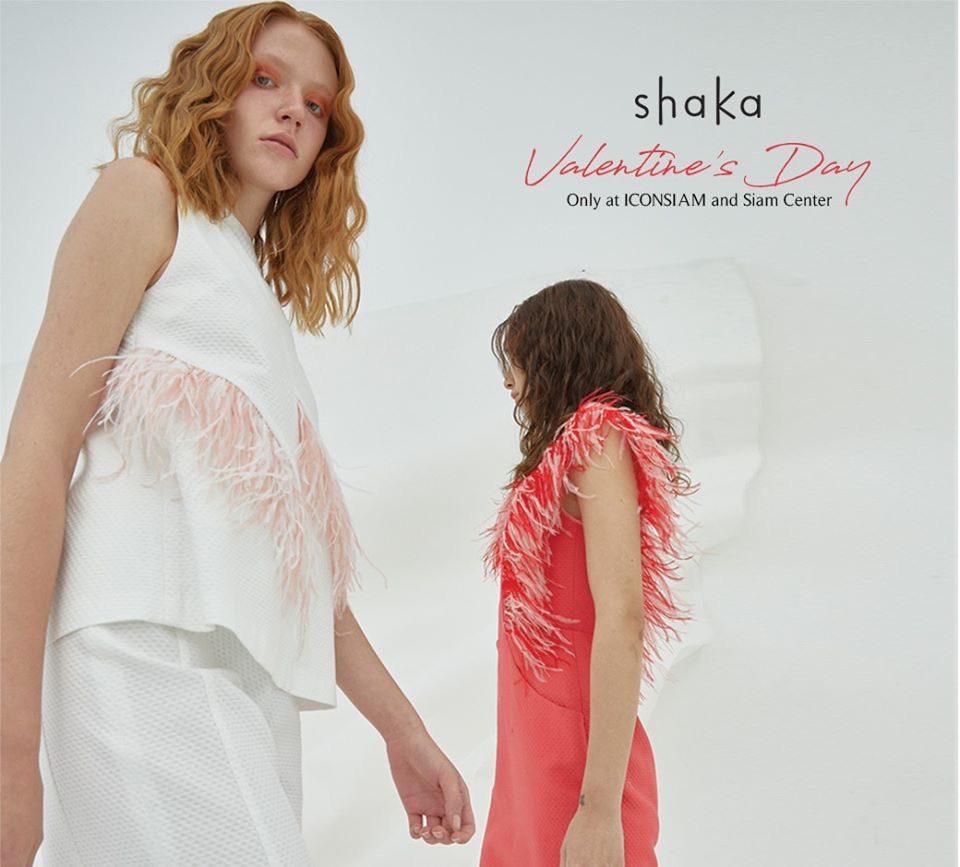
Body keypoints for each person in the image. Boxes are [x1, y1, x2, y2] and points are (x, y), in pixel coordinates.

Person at [0, 3, 473, 864]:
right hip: (138, 648)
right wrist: (9, 749)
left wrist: (404, 732)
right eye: (266, 80)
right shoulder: (144, 195)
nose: (293, 108)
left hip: (253, 686)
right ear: (213, 90)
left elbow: (299, 566)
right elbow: (35, 452)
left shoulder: (253, 306)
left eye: (317, 104)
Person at [479, 279, 694, 867]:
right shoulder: (565, 453)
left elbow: (623, 617)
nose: (508, 381)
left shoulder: (598, 438)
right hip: (533, 750)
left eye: (517, 359)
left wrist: (598, 808)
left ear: (556, 353)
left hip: (575, 758)